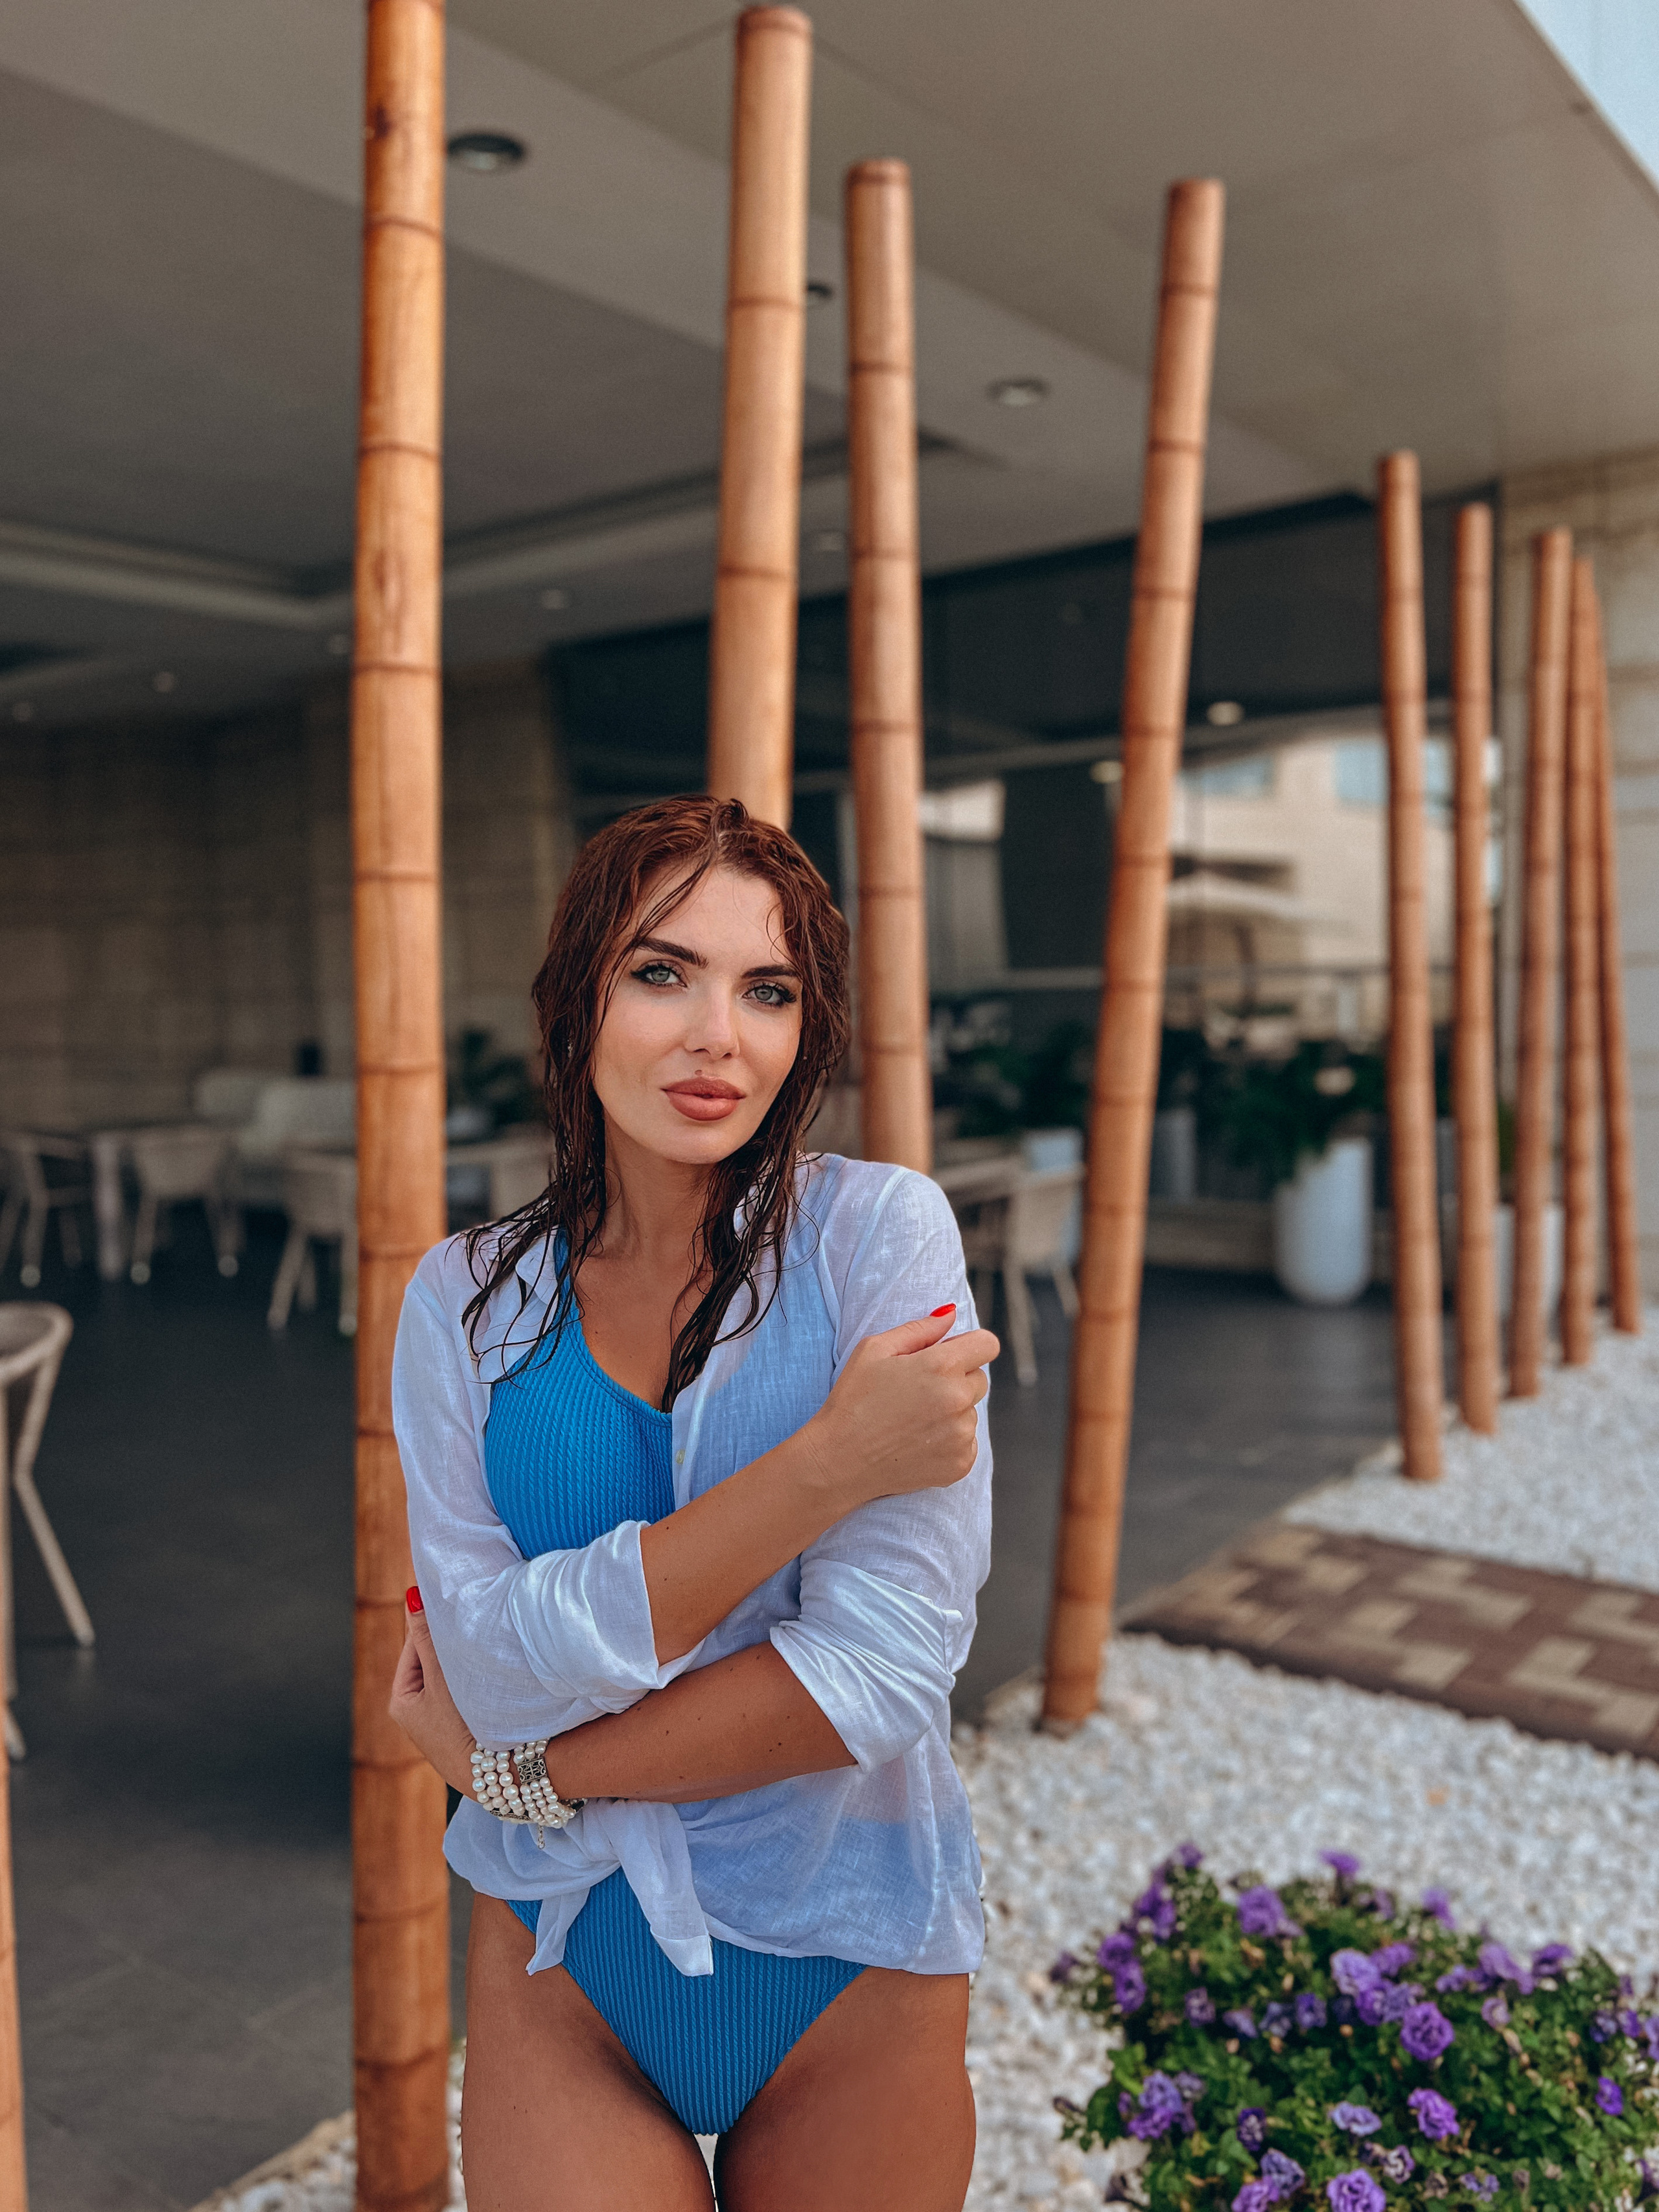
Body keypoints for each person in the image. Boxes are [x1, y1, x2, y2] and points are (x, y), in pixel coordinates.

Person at [388, 796, 997, 2212]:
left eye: (767, 990)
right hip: (563, 1956)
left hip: (847, 1945)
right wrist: (827, 1468)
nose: (719, 1035)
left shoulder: (874, 1238)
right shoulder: (466, 1301)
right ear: (575, 995)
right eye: (662, 972)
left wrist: (516, 1772)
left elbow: (876, 1673)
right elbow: (474, 1657)